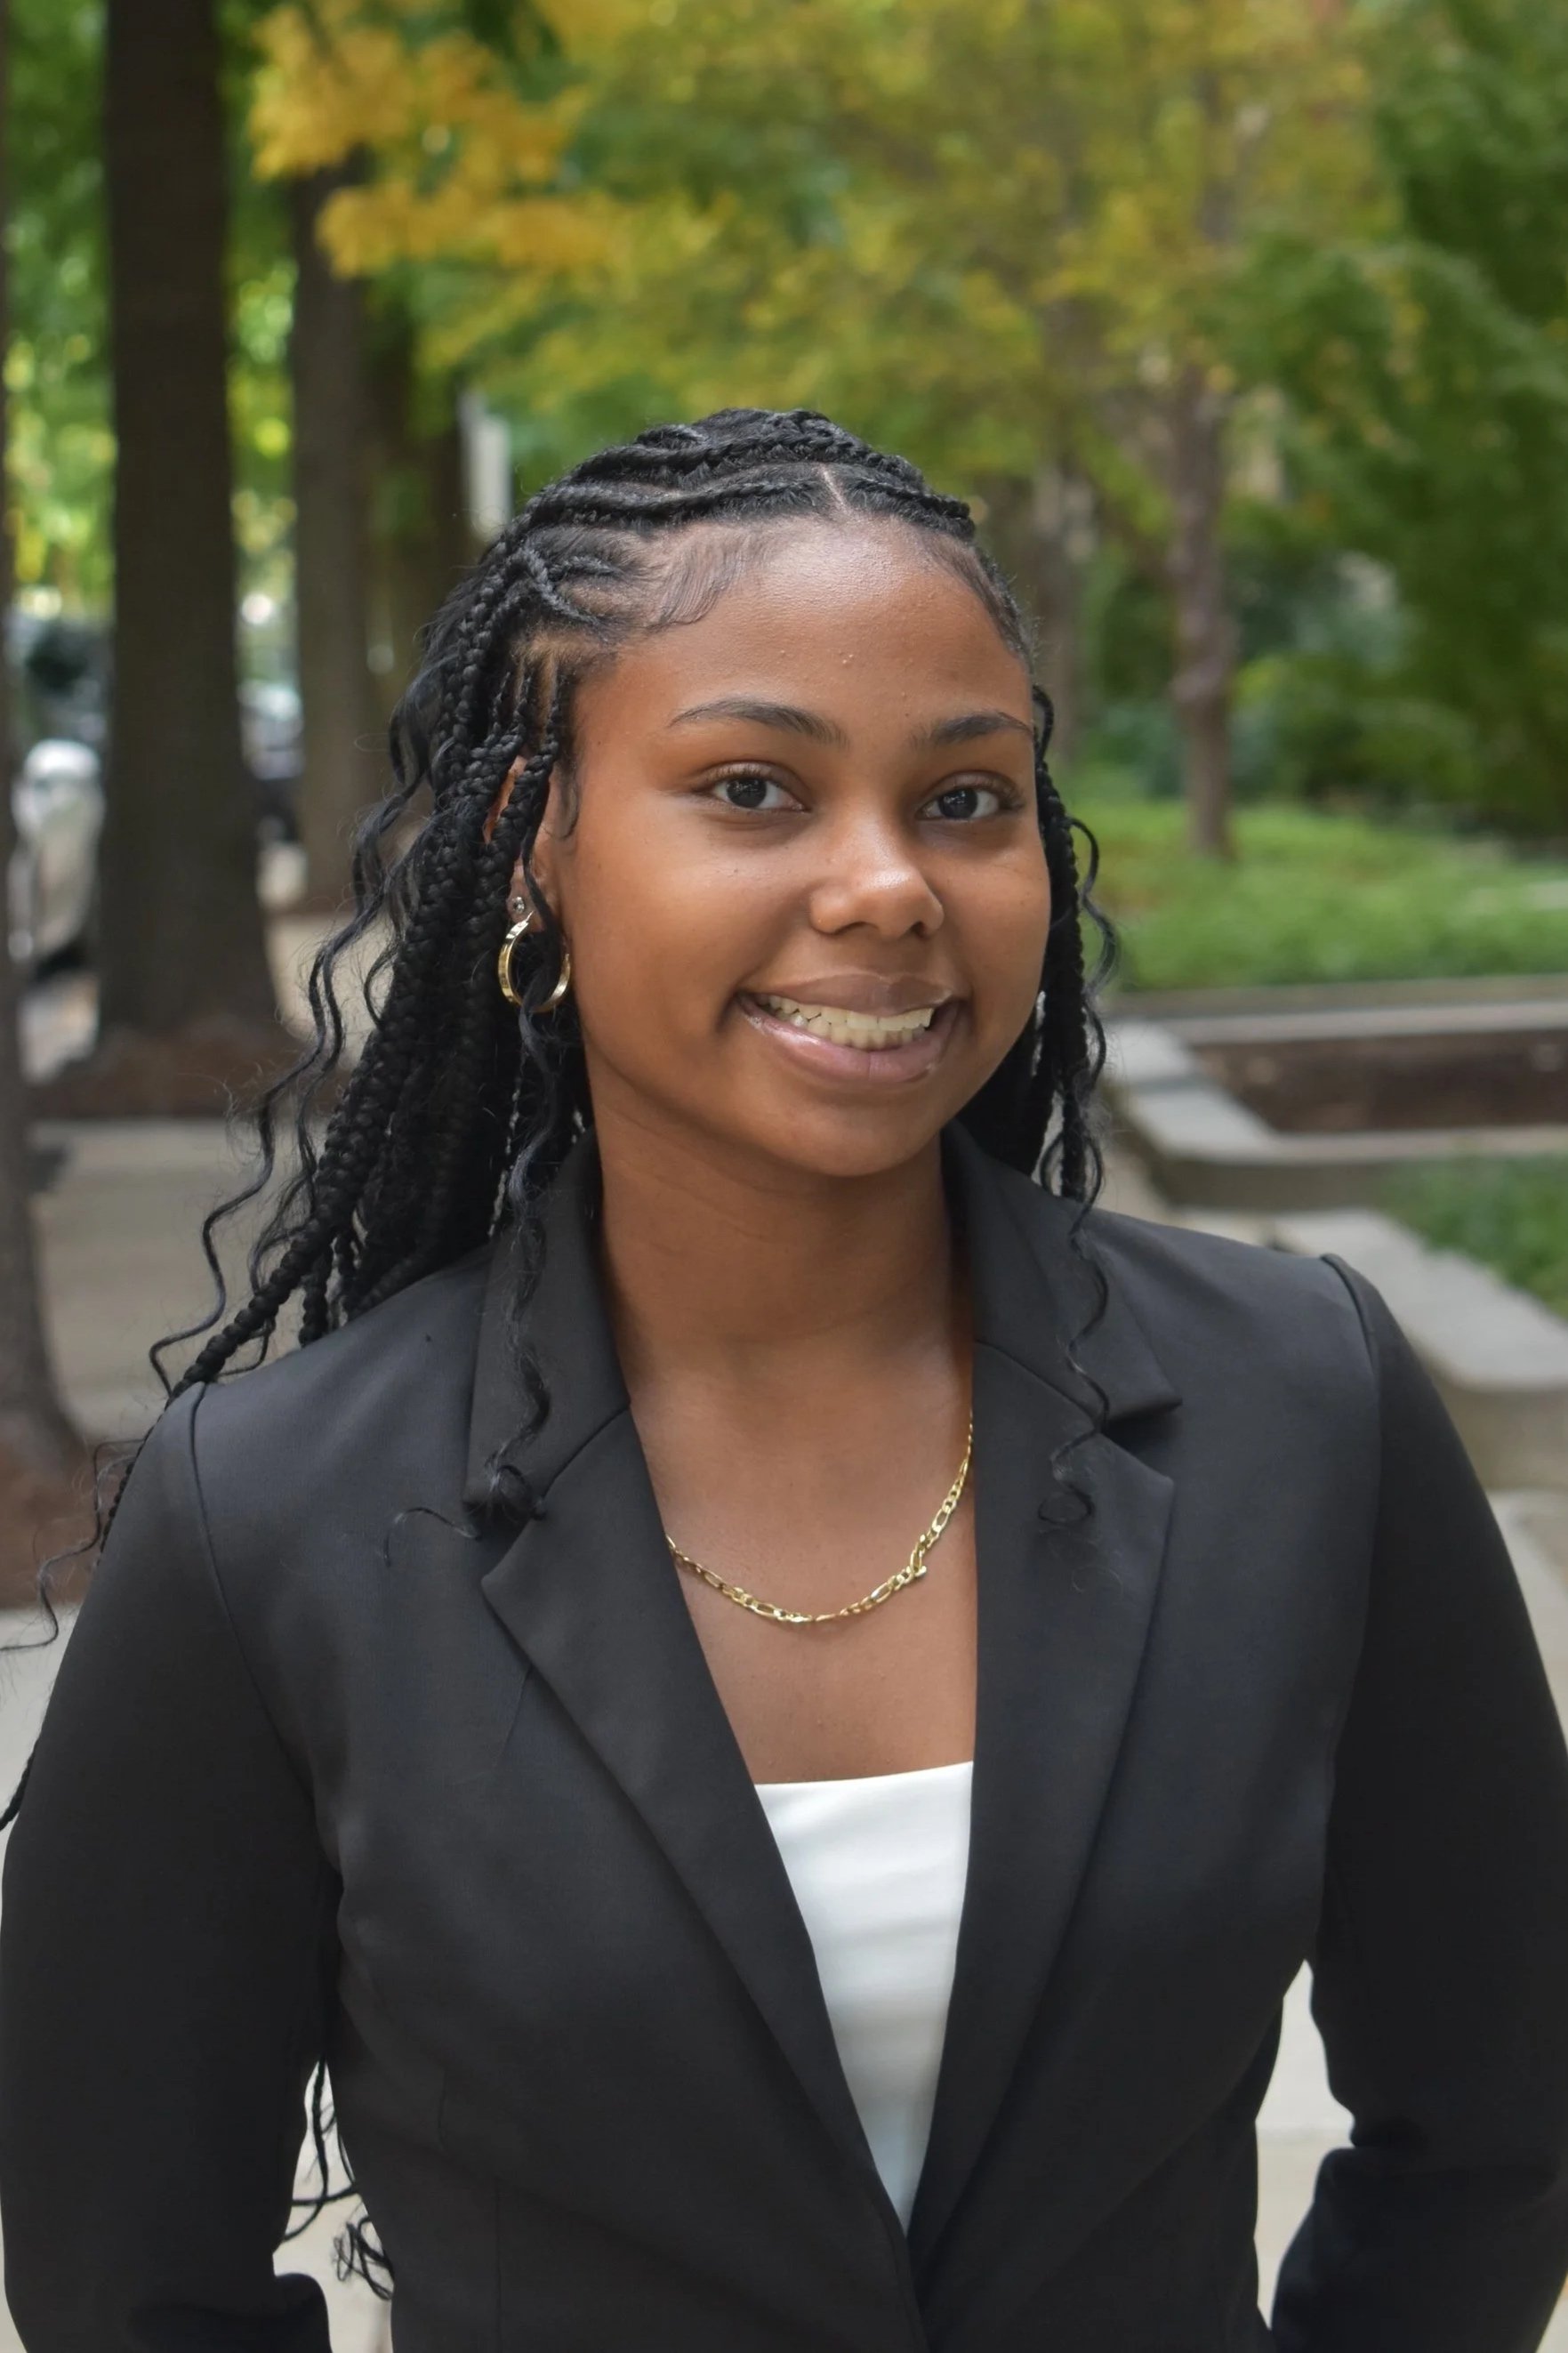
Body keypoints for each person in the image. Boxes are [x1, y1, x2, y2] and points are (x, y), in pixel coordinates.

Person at [3, 407, 1567, 2353]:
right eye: (752, 788)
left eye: (968, 800)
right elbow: (124, 2279)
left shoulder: (1302, 1406)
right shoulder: (277, 1519)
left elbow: (1498, 2125)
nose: (889, 885)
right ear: (529, 847)